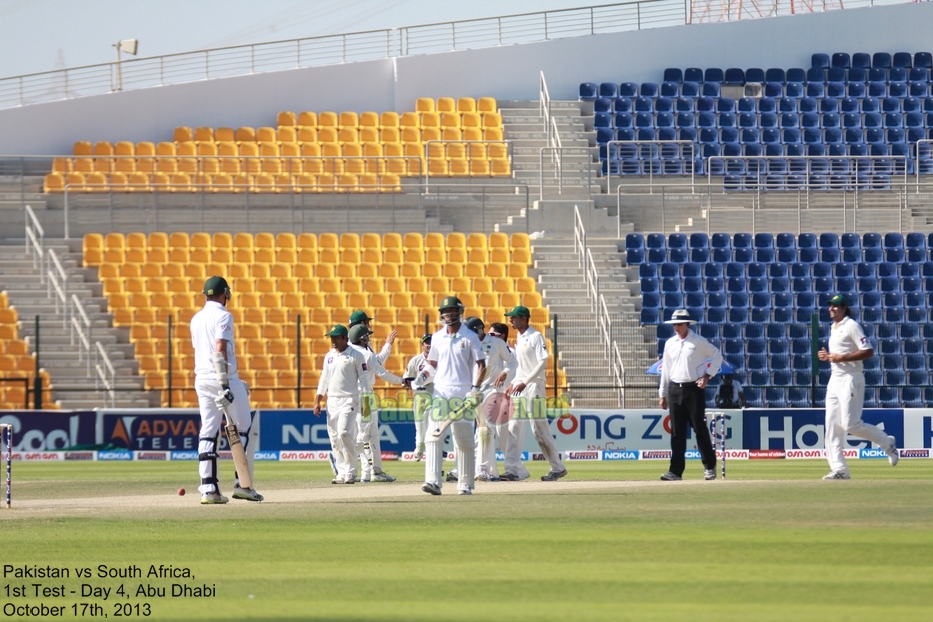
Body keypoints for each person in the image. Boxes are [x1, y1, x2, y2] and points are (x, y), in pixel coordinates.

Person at [190, 276, 263, 504]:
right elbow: (219, 347)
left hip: (202, 379)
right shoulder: (223, 315)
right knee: (244, 428)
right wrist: (225, 384)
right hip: (224, 378)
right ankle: (243, 485)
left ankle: (208, 489)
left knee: (208, 431)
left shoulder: (196, 318)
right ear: (225, 294)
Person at [818, 294, 899, 479]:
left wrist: (841, 358)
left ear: (844, 307)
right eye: (830, 306)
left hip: (851, 379)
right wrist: (828, 356)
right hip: (835, 379)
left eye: (836, 306)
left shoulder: (851, 325)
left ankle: (887, 443)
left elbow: (868, 351)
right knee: (831, 426)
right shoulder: (834, 327)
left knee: (850, 424)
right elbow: (840, 353)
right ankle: (840, 470)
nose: (832, 308)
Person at [421, 296, 486, 496]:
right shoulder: (437, 337)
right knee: (433, 435)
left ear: (459, 312)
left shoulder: (470, 337)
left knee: (464, 439)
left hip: (463, 391)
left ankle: (465, 484)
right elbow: (432, 365)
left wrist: (475, 388)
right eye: (445, 311)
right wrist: (421, 377)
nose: (448, 314)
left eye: (452, 311)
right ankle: (433, 482)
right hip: (441, 391)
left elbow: (481, 364)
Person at [658, 308, 723, 482]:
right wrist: (662, 393)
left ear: (687, 324)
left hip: (693, 389)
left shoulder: (698, 342)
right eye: (674, 324)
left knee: (699, 429)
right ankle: (675, 471)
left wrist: (707, 376)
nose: (676, 328)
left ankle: (709, 467)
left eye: (679, 324)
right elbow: (666, 369)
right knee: (677, 433)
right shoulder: (670, 343)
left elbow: (717, 356)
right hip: (674, 389)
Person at [504, 305, 567, 482]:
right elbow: (521, 365)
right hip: (521, 387)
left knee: (539, 429)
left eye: (514, 317)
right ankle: (512, 469)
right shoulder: (519, 336)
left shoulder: (535, 336)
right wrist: (515, 382)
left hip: (534, 388)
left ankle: (557, 467)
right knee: (514, 427)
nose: (511, 320)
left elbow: (542, 362)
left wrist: (525, 381)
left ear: (524, 319)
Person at [349, 324, 408, 482]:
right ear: (361, 338)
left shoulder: (351, 351)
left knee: (372, 434)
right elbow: (382, 373)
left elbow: (377, 363)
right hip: (365, 399)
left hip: (357, 396)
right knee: (364, 434)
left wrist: (387, 345)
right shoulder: (365, 355)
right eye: (367, 336)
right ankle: (342, 459)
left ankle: (371, 472)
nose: (369, 338)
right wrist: (403, 381)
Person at [313, 324, 372, 484]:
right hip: (331, 401)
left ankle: (351, 471)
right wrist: (318, 400)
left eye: (336, 338)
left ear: (345, 338)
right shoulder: (329, 356)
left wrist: (366, 402)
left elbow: (364, 380)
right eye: (331, 338)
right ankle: (341, 472)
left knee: (344, 433)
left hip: (349, 400)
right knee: (335, 438)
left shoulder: (356, 355)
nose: (333, 341)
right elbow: (324, 378)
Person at [403, 334, 434, 461]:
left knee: (433, 429)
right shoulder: (416, 360)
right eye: (426, 343)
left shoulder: (440, 360)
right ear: (422, 345)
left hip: (436, 398)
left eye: (431, 343)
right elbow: (406, 379)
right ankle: (419, 449)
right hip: (420, 399)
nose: (429, 345)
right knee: (420, 432)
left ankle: (433, 455)